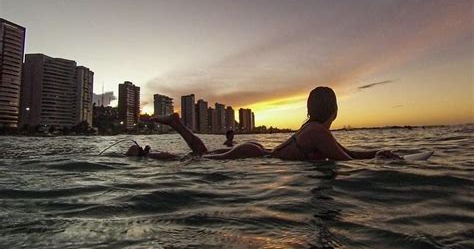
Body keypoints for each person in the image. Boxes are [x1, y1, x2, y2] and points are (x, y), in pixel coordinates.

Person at [126, 86, 400, 161]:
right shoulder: (317, 132)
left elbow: (348, 153)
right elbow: (344, 160)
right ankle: (161, 140)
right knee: (197, 159)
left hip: (256, 152)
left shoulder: (314, 130)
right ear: (335, 111)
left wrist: (376, 153)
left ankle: (147, 152)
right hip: (255, 155)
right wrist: (380, 160)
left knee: (200, 157)